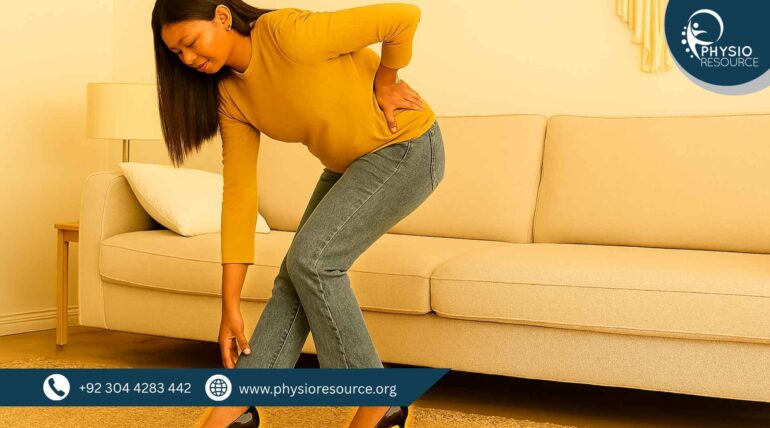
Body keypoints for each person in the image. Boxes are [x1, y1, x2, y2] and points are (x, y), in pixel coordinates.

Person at [152, 1, 445, 426]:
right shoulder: (230, 94)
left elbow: (403, 17)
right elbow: (239, 195)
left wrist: (387, 80)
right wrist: (229, 305)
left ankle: (376, 398)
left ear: (222, 17)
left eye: (190, 42)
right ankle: (234, 408)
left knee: (314, 260)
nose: (188, 58)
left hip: (408, 149)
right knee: (295, 274)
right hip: (349, 166)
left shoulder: (285, 34)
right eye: (177, 53)